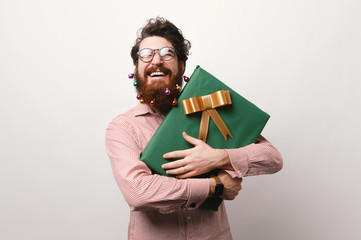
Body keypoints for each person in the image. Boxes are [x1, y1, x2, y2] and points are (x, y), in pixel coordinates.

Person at [105, 17, 283, 240]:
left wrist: (217, 158)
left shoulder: (209, 106)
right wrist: (215, 186)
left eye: (167, 53)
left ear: (181, 66)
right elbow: (138, 191)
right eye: (146, 55)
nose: (156, 61)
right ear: (137, 69)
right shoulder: (123, 127)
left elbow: (273, 158)